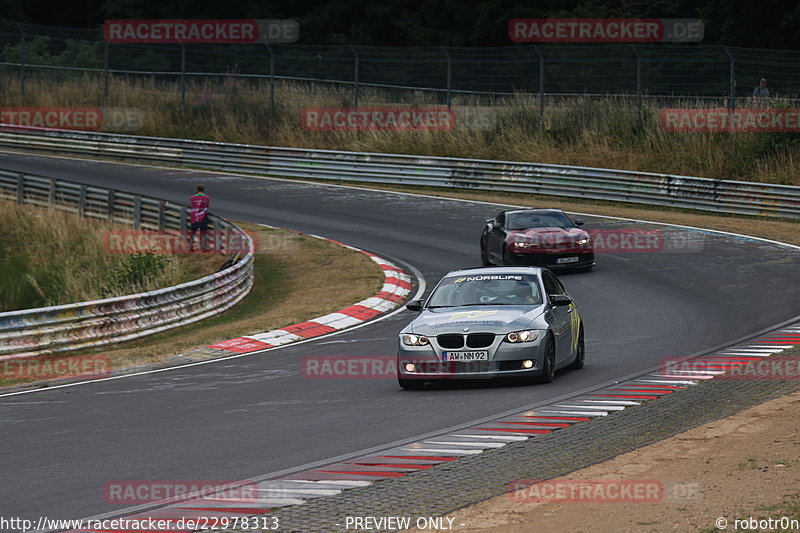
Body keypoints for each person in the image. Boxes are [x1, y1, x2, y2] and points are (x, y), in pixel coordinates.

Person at [188, 184, 211, 252]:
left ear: (197, 189)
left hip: (194, 216)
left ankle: (190, 247)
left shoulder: (192, 197)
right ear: (203, 189)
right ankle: (203, 248)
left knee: (193, 232)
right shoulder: (206, 197)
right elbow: (208, 205)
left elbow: (191, 205)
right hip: (202, 215)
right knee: (203, 232)